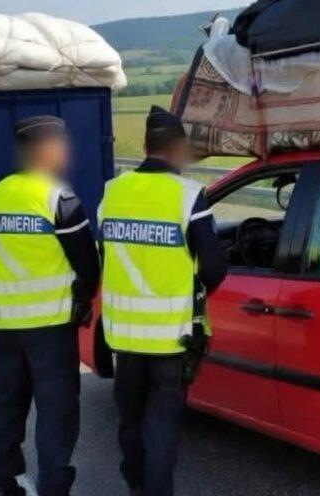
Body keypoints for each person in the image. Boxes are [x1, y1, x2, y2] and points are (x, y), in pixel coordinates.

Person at [98, 106, 227, 496]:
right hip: (171, 341)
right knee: (161, 428)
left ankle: (136, 485)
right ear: (178, 149)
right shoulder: (188, 197)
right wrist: (194, 290)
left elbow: (105, 254)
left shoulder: (112, 192)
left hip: (124, 339)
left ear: (144, 146)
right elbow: (215, 267)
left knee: (130, 421)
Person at [0, 116, 101, 496]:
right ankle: (54, 487)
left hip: (4, 327)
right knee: (56, 411)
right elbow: (88, 263)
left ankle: (3, 482)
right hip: (50, 327)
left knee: (6, 404)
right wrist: (83, 299)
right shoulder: (56, 197)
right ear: (44, 150)